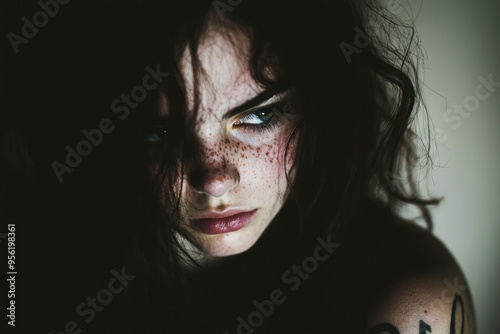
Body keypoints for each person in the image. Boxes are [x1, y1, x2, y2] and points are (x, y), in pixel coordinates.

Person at [2, 0, 475, 333]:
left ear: (323, 107)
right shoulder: (27, 260)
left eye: (259, 115)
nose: (214, 178)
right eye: (158, 131)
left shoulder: (403, 301)